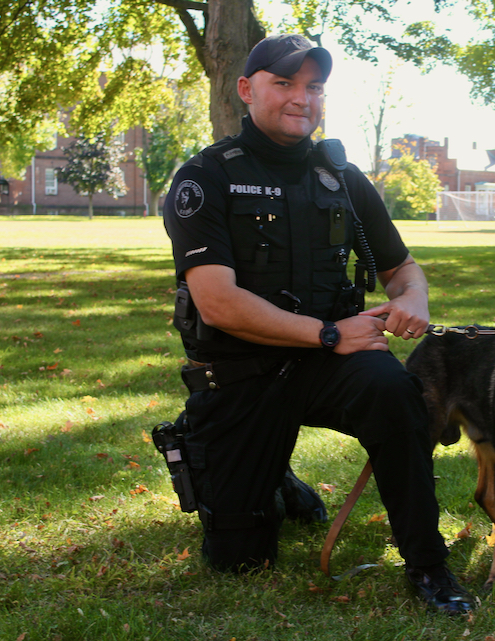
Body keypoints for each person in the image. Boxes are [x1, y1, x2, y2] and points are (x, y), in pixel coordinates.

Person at [162, 34, 474, 615]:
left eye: (314, 87)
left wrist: (416, 300)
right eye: (284, 83)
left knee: (395, 394)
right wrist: (329, 333)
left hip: (333, 363)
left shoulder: (342, 179)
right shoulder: (204, 179)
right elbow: (218, 304)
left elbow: (403, 269)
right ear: (246, 89)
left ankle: (429, 565)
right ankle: (277, 480)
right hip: (240, 371)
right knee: (238, 557)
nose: (301, 98)